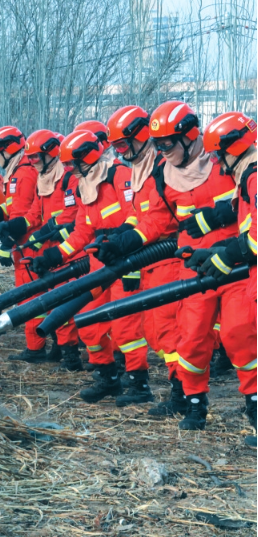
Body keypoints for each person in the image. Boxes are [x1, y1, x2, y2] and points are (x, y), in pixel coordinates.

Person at [93, 102, 251, 431]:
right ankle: (193, 403)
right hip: (195, 266)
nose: (162, 151)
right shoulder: (163, 176)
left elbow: (249, 204)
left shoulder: (224, 162)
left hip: (236, 263)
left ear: (189, 136)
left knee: (239, 334)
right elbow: (156, 220)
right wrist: (125, 242)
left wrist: (223, 216)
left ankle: (254, 405)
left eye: (167, 144)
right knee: (190, 338)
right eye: (159, 145)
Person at [29, 130, 152, 406]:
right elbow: (82, 232)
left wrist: (125, 254)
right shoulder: (85, 185)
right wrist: (53, 256)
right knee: (88, 324)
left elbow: (136, 216)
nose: (70, 170)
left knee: (126, 328)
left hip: (124, 261)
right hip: (98, 264)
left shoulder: (119, 175)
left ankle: (139, 384)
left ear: (88, 157)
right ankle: (108, 378)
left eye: (72, 164)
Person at [105, 105, 183, 414]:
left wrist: (129, 240)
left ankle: (183, 394)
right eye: (116, 147)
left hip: (168, 259)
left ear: (140, 136)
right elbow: (138, 215)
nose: (120, 152)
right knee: (153, 330)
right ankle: (179, 388)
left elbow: (160, 220)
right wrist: (119, 234)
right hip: (150, 262)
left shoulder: (161, 168)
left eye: (123, 144)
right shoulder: (141, 169)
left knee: (167, 330)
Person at [185, 111, 255, 445]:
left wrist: (229, 255)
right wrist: (219, 250)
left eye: (218, 155)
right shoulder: (249, 176)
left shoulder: (254, 176)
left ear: (232, 148)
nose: (218, 163)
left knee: (241, 334)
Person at [4, 129, 83, 370]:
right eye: (30, 158)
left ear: (50, 153)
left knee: (62, 301)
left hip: (67, 250)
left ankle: (71, 356)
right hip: (49, 250)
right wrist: (16, 228)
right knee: (48, 299)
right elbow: (35, 214)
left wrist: (45, 231)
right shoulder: (43, 179)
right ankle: (58, 346)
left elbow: (72, 213)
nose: (32, 162)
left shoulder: (68, 179)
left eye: (36, 157)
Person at [0, 126, 51, 362]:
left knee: (29, 296)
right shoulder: (17, 170)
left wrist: (7, 241)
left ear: (8, 149)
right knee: (29, 294)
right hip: (25, 243)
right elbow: (13, 206)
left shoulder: (25, 172)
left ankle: (36, 348)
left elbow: (25, 213)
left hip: (30, 244)